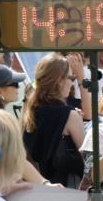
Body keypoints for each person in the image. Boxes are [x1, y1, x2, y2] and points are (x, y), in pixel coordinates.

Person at [21, 54, 86, 187]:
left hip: (34, 186)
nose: (72, 82)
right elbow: (88, 159)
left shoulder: (28, 110)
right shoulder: (69, 115)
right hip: (66, 188)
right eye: (71, 77)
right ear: (59, 80)